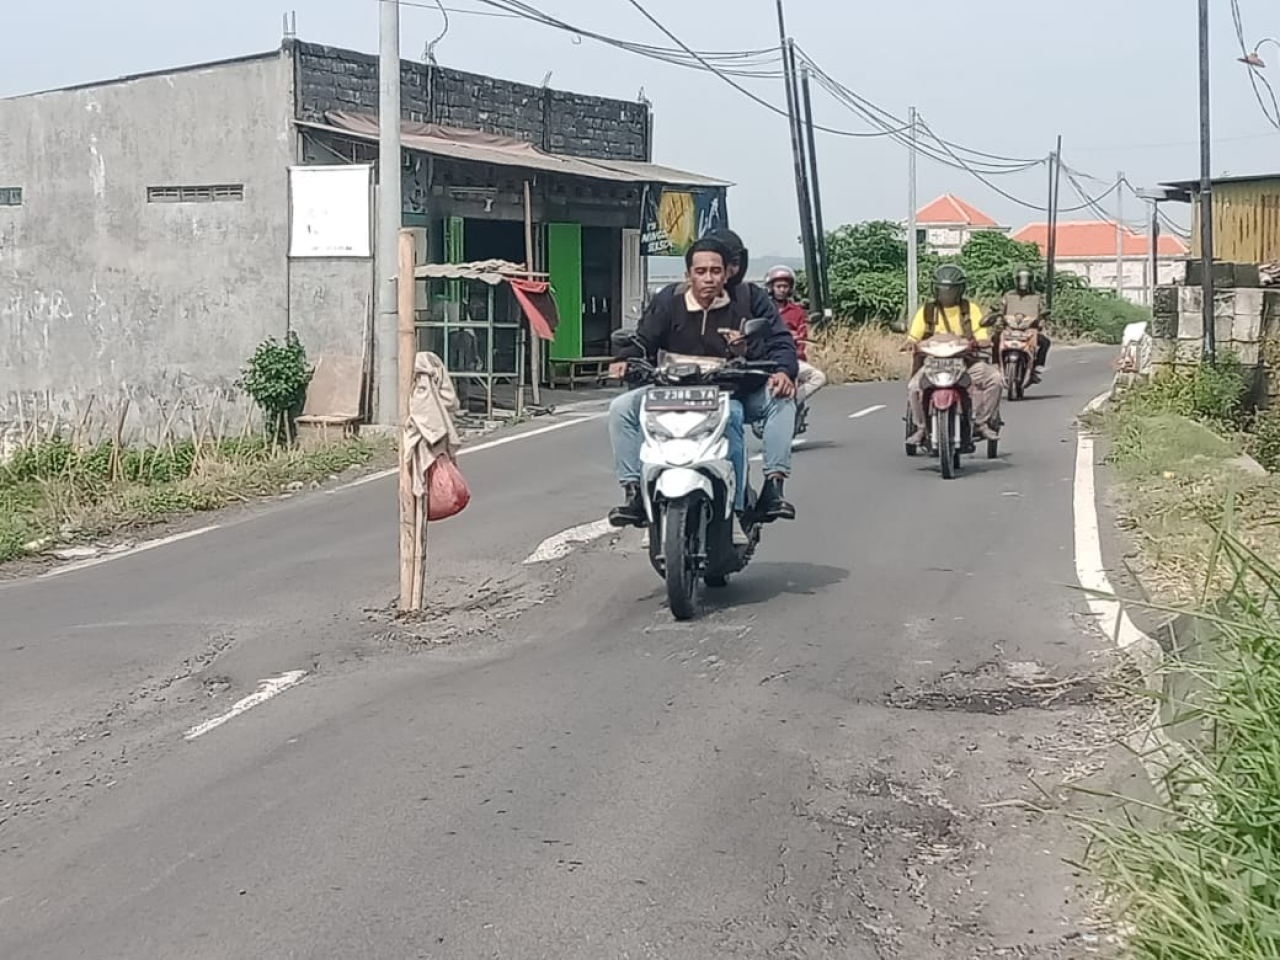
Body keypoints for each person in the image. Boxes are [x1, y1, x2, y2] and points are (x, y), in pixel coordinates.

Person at [607, 237, 799, 540]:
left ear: (727, 273)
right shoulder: (668, 301)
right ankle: (633, 493)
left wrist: (781, 371)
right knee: (621, 409)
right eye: (701, 271)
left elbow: (780, 342)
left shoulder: (748, 300)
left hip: (728, 392)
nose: (708, 278)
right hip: (669, 390)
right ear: (688, 275)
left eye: (715, 270)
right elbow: (643, 341)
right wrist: (623, 360)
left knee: (777, 403)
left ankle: (765, 493)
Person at [905, 264, 1003, 444]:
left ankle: (981, 423)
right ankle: (920, 428)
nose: (947, 294)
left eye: (951, 290)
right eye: (942, 289)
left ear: (960, 290)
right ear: (935, 289)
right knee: (914, 387)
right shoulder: (926, 311)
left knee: (995, 379)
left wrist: (982, 340)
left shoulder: (970, 309)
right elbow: (914, 336)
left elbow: (980, 332)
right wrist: (911, 343)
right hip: (931, 364)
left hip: (965, 363)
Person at [765, 265, 827, 402]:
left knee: (819, 377)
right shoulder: (763, 309)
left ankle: (793, 401)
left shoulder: (797, 311)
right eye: (778, 286)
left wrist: (795, 341)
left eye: (785, 286)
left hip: (792, 359)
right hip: (766, 360)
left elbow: (802, 337)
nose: (782, 290)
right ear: (771, 287)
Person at [997, 266, 1050, 380]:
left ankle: (1037, 366)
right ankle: (996, 364)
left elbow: (1042, 311)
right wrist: (998, 320)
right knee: (994, 339)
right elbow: (1001, 309)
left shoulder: (1037, 296)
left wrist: (1041, 321)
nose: (1023, 282)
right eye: (1021, 279)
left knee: (1045, 342)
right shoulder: (1009, 295)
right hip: (1010, 329)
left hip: (1030, 330)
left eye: (1026, 279)